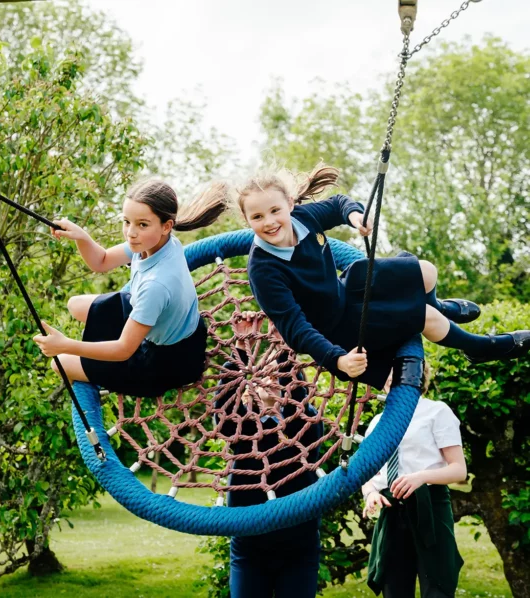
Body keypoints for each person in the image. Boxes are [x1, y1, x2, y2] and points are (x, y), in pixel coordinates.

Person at [220, 163, 529, 390]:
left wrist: (355, 216)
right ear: (247, 220)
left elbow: (339, 203)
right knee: (426, 318)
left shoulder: (303, 216)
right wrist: (337, 360)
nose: (270, 222)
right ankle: (479, 347)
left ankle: (443, 307)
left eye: (275, 210)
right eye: (257, 217)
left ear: (289, 204)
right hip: (336, 331)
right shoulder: (263, 270)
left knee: (426, 270)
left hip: (343, 292)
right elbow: (296, 329)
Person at [32, 179, 226, 397]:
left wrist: (66, 345)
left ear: (166, 226)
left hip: (165, 363)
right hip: (171, 324)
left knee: (60, 363)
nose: (131, 233)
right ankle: (102, 352)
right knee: (75, 305)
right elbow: (101, 261)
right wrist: (81, 236)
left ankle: (106, 370)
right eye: (126, 222)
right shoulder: (153, 242)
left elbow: (123, 349)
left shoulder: (157, 284)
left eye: (142, 224)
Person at [215, 312, 323, 598]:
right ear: (251, 384)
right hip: (250, 543)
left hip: (298, 544)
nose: (272, 380)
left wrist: (281, 343)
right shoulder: (244, 425)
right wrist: (240, 347)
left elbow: (298, 404)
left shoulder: (307, 422)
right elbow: (224, 413)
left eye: (279, 375)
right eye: (265, 374)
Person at [361, 365, 467, 597]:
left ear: (414, 374)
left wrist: (421, 477)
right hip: (392, 511)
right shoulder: (378, 421)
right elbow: (366, 474)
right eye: (385, 372)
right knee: (394, 589)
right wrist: (370, 493)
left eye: (395, 370)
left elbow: (459, 470)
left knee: (436, 588)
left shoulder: (437, 411)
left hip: (430, 507)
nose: (388, 378)